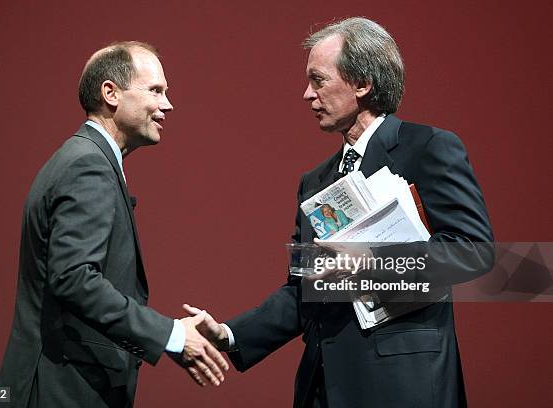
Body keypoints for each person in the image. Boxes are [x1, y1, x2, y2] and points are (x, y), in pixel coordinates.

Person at [184, 17, 494, 408]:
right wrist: (228, 334)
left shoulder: (428, 147)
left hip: (403, 384)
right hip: (323, 386)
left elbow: (472, 251)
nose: (306, 95)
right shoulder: (315, 181)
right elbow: (304, 289)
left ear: (362, 83)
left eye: (318, 80)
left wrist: (367, 261)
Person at [0, 41, 228, 408]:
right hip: (60, 392)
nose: (168, 105)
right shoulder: (88, 165)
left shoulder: (84, 158)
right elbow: (73, 278)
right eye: (156, 91)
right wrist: (170, 334)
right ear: (110, 93)